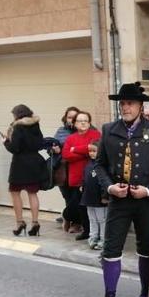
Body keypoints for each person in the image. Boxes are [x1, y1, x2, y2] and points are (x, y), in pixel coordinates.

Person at [86, 82, 149, 297]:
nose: (125, 107)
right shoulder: (108, 129)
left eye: (130, 103)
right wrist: (109, 186)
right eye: (122, 103)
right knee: (110, 249)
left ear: (140, 106)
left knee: (145, 250)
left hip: (145, 200)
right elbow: (100, 165)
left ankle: (145, 296)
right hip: (119, 200)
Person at [3, 105, 46, 237]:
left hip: (20, 164)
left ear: (17, 115)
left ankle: (20, 222)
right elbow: (40, 144)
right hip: (35, 162)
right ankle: (35, 223)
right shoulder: (35, 125)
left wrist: (5, 141)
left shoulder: (17, 127)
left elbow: (14, 148)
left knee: (15, 192)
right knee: (32, 193)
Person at [62, 111, 102, 240]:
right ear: (74, 123)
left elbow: (96, 149)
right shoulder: (70, 138)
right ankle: (86, 231)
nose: (83, 123)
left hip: (93, 177)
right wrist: (85, 151)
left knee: (94, 207)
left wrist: (75, 149)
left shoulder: (96, 134)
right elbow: (66, 155)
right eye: (80, 121)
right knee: (80, 207)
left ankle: (96, 233)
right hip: (76, 177)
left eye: (86, 120)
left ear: (89, 123)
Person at [53, 107, 80, 229]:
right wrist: (55, 150)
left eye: (75, 117)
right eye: (70, 117)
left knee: (76, 196)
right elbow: (51, 148)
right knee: (67, 196)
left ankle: (72, 219)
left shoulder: (85, 129)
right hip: (63, 170)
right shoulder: (60, 131)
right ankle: (70, 218)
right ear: (66, 118)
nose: (72, 120)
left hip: (78, 169)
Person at [81, 140, 107, 250]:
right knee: (92, 218)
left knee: (102, 219)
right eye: (90, 151)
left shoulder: (104, 165)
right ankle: (93, 237)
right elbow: (85, 178)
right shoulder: (88, 165)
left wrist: (105, 196)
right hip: (89, 197)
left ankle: (103, 239)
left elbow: (105, 183)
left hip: (100, 198)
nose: (91, 153)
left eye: (94, 151)